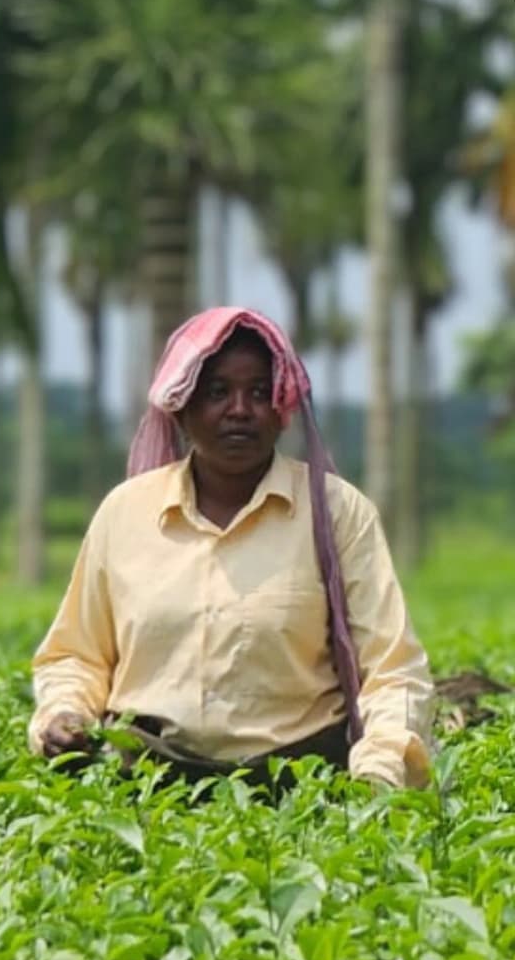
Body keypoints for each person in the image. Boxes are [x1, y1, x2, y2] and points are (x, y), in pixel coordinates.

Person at [29, 306, 434, 792]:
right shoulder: (125, 514)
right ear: (181, 407)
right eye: (218, 392)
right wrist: (64, 714)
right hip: (145, 786)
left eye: (260, 393)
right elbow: (77, 654)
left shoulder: (338, 513)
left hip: (298, 788)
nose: (240, 409)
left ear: (282, 408)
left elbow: (392, 671)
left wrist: (379, 774)